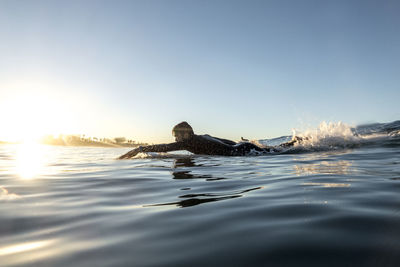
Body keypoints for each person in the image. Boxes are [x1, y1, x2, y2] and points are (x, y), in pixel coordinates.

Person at [118, 121, 300, 159]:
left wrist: (141, 148)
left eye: (177, 134)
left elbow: (166, 147)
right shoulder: (202, 136)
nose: (175, 138)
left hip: (241, 151)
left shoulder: (187, 141)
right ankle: (295, 141)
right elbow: (225, 141)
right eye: (175, 135)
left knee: (275, 152)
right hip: (242, 147)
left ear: (185, 133)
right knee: (275, 150)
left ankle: (294, 143)